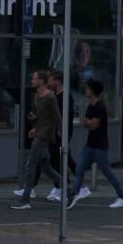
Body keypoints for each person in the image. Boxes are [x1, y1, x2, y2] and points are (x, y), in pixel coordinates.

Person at [68, 80, 123, 209]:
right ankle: (74, 194)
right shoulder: (91, 106)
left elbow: (93, 125)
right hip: (90, 145)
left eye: (87, 88)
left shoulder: (100, 107)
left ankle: (122, 197)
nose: (86, 90)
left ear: (93, 90)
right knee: (79, 168)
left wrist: (88, 122)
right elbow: (85, 123)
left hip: (99, 146)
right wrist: (88, 122)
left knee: (107, 171)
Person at [10, 72, 63, 210]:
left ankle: (25, 200)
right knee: (47, 168)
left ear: (41, 81)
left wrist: (61, 131)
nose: (32, 81)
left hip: (44, 136)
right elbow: (42, 117)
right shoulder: (37, 96)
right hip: (39, 132)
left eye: (34, 78)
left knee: (30, 166)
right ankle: (70, 189)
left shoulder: (50, 97)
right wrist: (34, 123)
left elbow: (56, 117)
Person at [47, 69, 75, 199]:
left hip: (62, 132)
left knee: (62, 159)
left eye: (51, 80)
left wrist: (61, 128)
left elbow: (67, 115)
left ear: (57, 81)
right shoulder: (54, 95)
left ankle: (66, 188)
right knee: (56, 159)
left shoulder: (65, 96)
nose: (49, 82)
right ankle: (61, 187)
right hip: (54, 131)